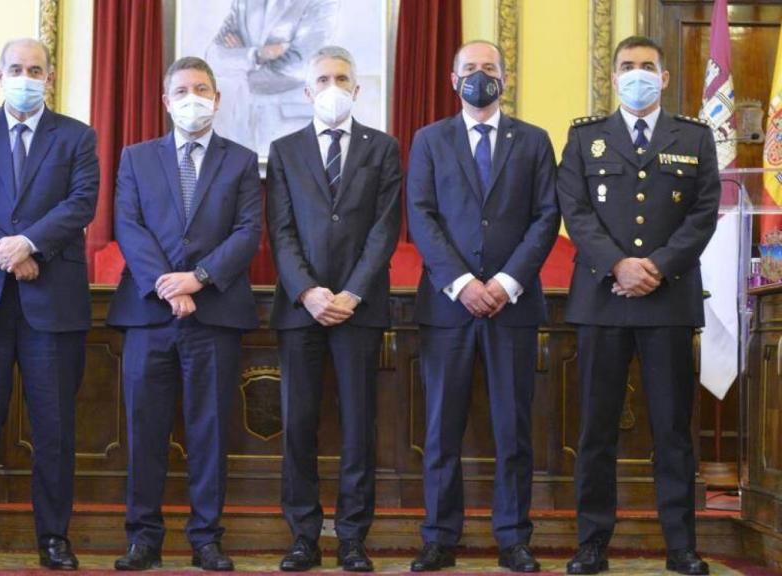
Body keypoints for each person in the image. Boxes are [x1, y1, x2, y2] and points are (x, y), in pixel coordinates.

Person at [557, 35, 720, 576]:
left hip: (668, 300)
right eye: (627, 66)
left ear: (665, 78)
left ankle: (681, 546)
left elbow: (703, 211)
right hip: (603, 299)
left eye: (647, 66)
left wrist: (656, 267)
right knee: (596, 431)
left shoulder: (694, 138)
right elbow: (575, 212)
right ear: (613, 77)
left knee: (673, 431)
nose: (637, 74)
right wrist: (619, 266)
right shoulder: (585, 138)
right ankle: (592, 545)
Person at [0, 37, 99, 571]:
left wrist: (29, 244)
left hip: (51, 301)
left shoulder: (77, 136)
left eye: (35, 69)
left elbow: (81, 203)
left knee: (54, 429)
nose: (25, 76)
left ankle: (54, 538)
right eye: (15, 68)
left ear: (50, 77)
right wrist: (5, 252)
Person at [405, 40, 559, 574]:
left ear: (505, 77)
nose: (479, 76)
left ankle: (514, 537)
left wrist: (508, 282)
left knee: (513, 429)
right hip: (448, 308)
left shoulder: (534, 141)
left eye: (488, 68)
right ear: (453, 80)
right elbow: (421, 216)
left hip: (512, 308)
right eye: (469, 69)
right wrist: (464, 282)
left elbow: (545, 217)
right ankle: (439, 537)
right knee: (441, 430)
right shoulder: (429, 140)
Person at [107, 56, 262, 572]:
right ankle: (142, 538)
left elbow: (247, 233)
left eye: (202, 88)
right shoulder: (136, 156)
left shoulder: (241, 160)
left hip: (214, 313)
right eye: (181, 89)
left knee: (209, 430)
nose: (192, 97)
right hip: (149, 314)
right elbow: (127, 226)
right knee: (144, 430)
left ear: (216, 99)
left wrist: (198, 278)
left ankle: (206, 538)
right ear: (166, 100)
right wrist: (167, 284)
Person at [266, 45, 401, 573]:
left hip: (358, 309)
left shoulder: (383, 148)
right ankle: (302, 536)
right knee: (298, 424)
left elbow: (385, 228)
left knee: (358, 426)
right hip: (301, 309)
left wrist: (352, 293)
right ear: (306, 90)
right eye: (322, 78)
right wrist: (308, 291)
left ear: (357, 88)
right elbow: (280, 230)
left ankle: (352, 537)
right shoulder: (284, 149)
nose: (332, 86)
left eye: (341, 77)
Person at [205, 0, 339, 156]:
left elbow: (300, 67)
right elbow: (214, 56)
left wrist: (238, 68)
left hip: (289, 127)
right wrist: (256, 55)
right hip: (241, 127)